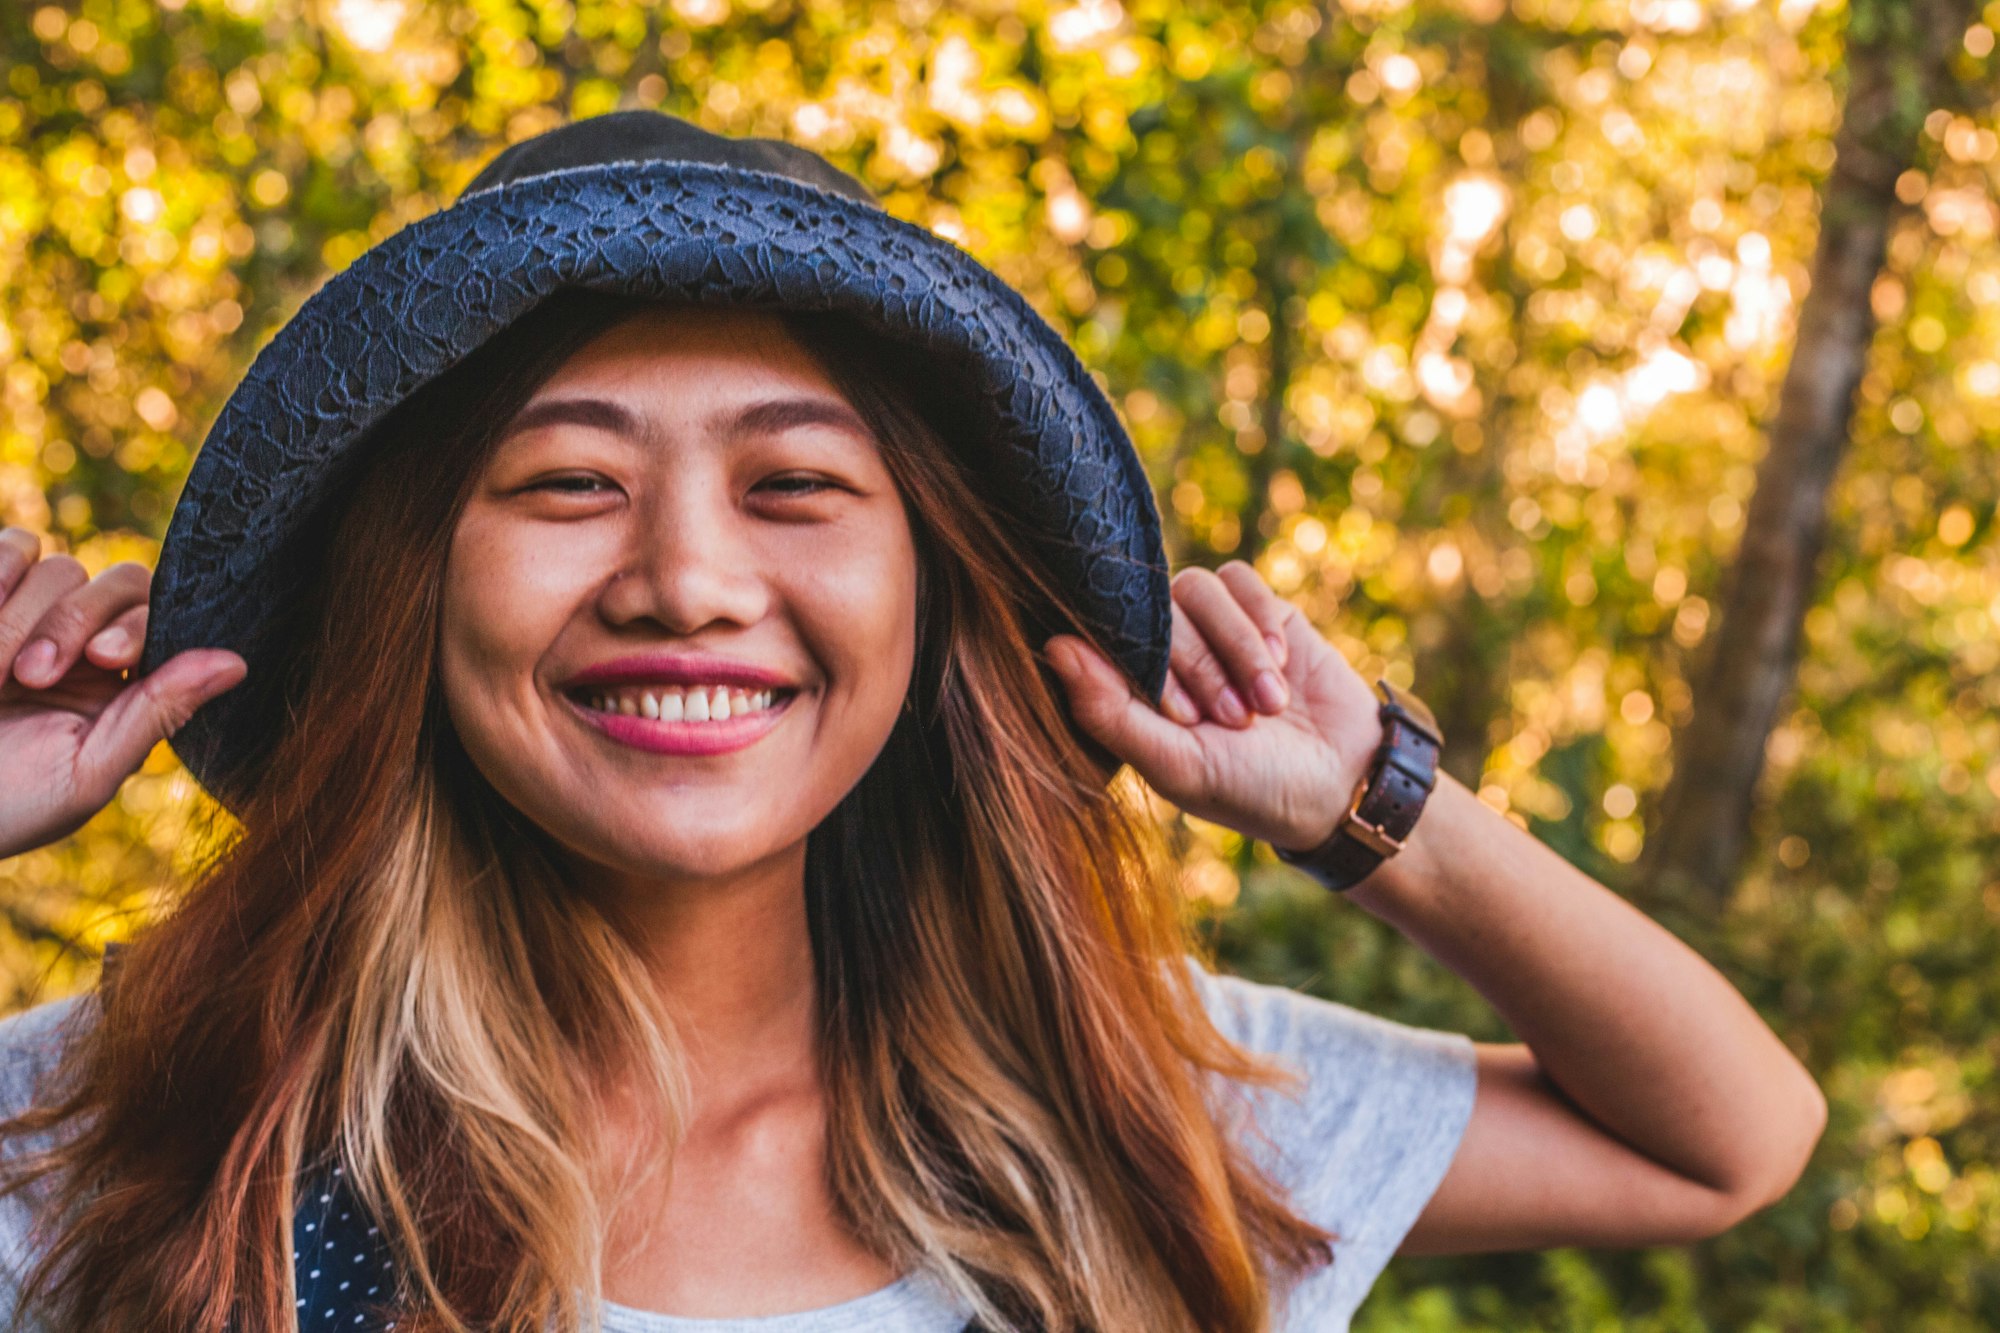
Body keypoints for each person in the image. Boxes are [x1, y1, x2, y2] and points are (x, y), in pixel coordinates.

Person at [0, 112, 1824, 1333]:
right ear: (412, 589)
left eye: (795, 484)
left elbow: (1720, 1139)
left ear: (932, 595)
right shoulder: (140, 1120)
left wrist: (1367, 797)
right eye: (566, 484)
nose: (687, 578)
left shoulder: (1119, 1108)